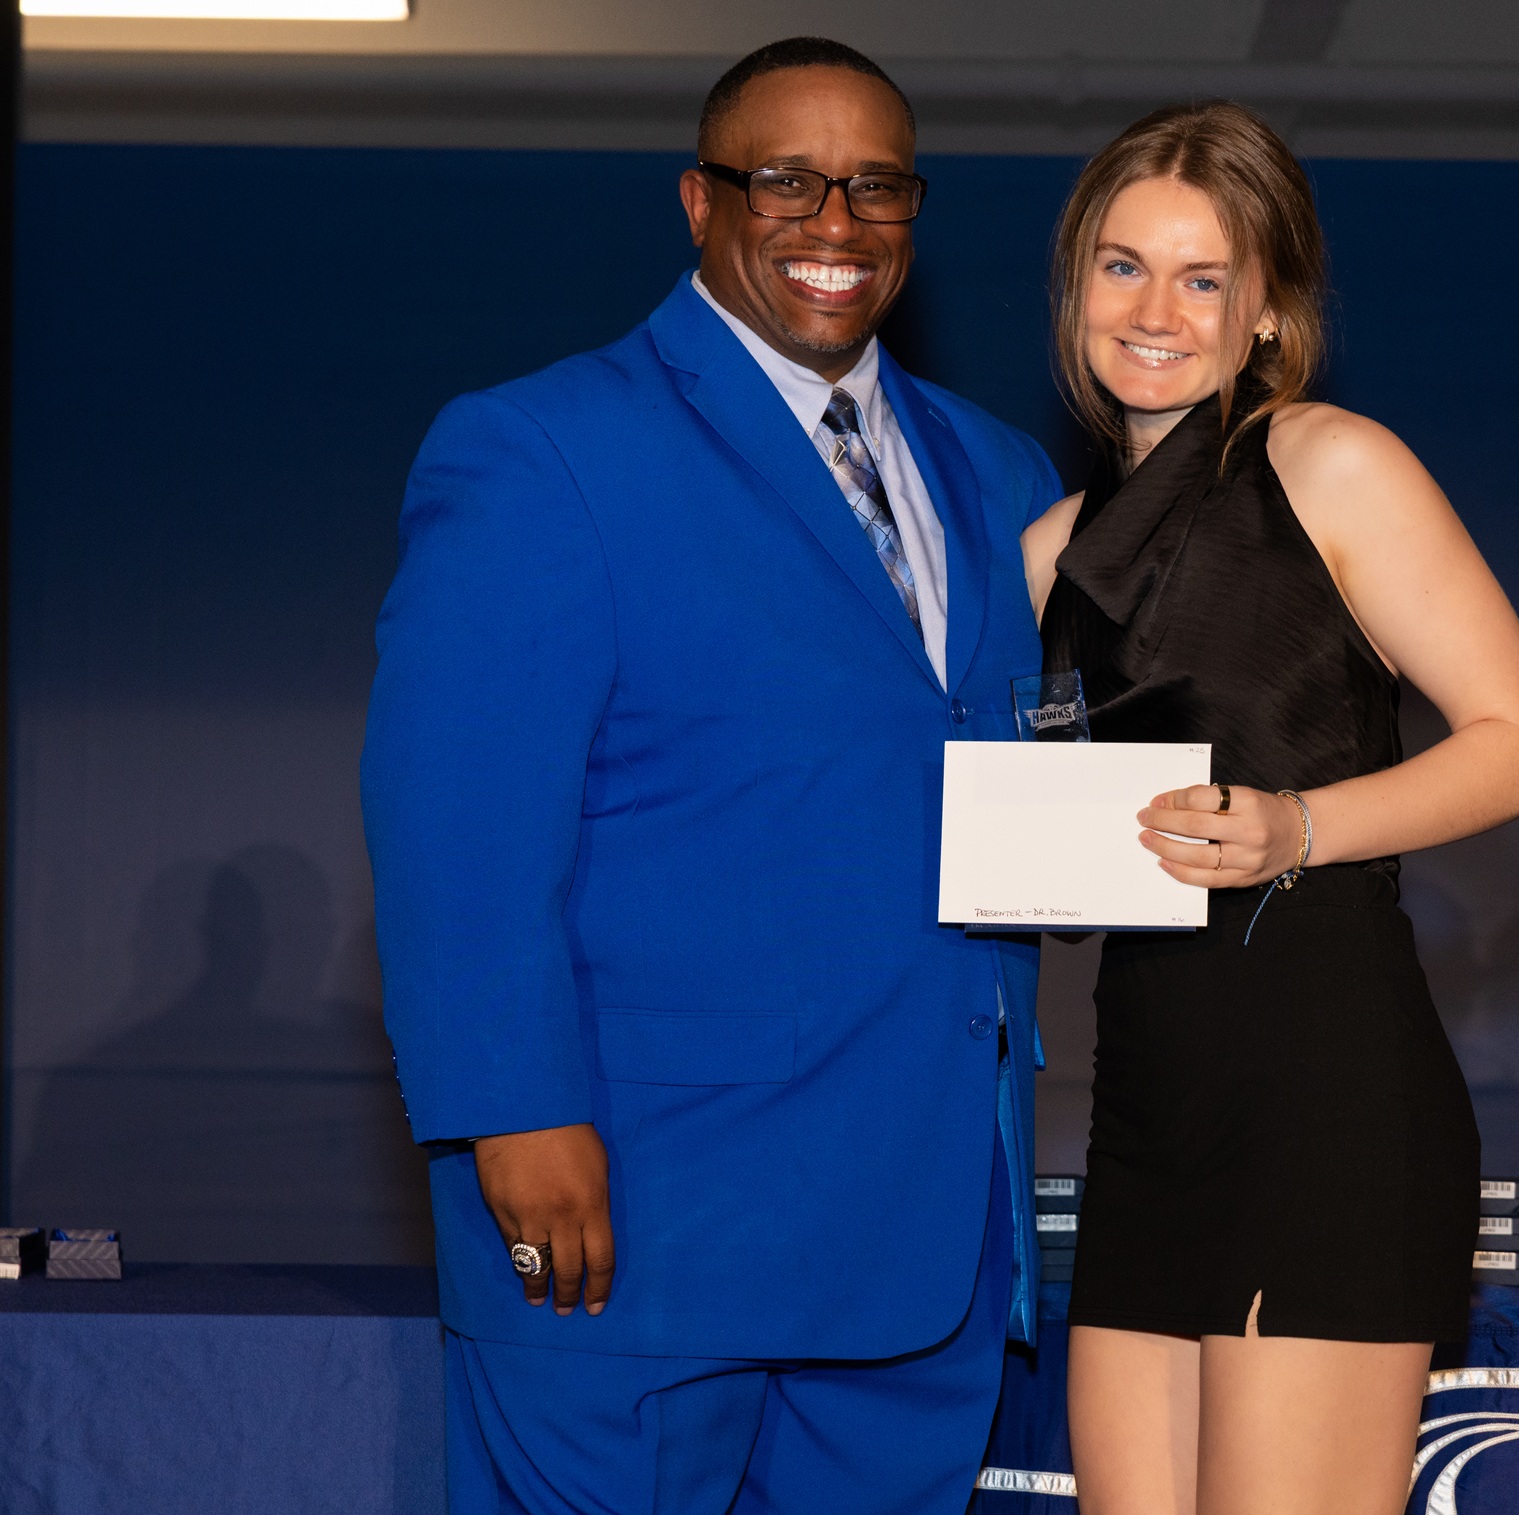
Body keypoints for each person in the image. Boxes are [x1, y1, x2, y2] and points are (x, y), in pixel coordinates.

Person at [362, 37, 1062, 1515]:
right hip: (637, 1214)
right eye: (787, 180)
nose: (836, 221)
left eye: (877, 185)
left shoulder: (1000, 475)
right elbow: (459, 827)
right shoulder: (543, 447)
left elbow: (1015, 769)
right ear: (699, 200)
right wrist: (509, 1110)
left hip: (921, 1235)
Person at [1020, 103, 1519, 1515]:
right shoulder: (1044, 555)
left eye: (1204, 279)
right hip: (1145, 1115)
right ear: (1076, 279)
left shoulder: (1335, 464)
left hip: (1327, 1101)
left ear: (1267, 311)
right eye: (1124, 265)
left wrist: (1299, 826)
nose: (1156, 310)